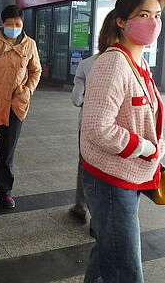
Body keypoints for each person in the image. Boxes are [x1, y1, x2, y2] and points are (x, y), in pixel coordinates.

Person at [80, 0, 165, 283]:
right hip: (110, 179)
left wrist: (155, 147)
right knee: (126, 265)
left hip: (127, 175)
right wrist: (144, 147)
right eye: (143, 15)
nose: (153, 22)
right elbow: (96, 127)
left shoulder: (139, 64)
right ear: (121, 21)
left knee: (109, 248)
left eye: (156, 15)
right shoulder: (113, 63)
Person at [0, 4, 42, 209]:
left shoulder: (29, 45)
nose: (14, 27)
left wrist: (28, 90)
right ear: (2, 24)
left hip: (15, 107)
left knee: (7, 151)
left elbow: (35, 71)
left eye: (17, 24)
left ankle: (4, 192)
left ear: (22, 24)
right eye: (10, 24)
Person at [68, 53, 97, 224]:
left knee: (85, 164)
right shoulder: (130, 60)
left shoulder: (87, 64)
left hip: (89, 123)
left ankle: (81, 207)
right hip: (119, 126)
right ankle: (98, 220)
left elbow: (77, 99)